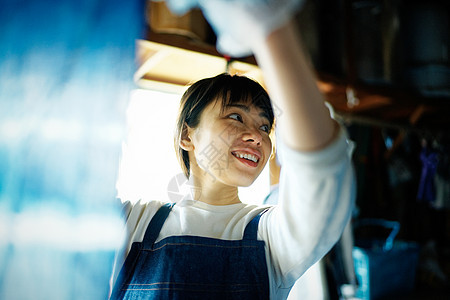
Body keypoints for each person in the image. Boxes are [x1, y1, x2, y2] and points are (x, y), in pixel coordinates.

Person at [110, 0, 355, 299]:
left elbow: (320, 166)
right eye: (235, 117)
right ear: (188, 135)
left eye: (265, 127)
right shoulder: (133, 223)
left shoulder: (272, 237)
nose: (257, 137)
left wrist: (269, 27)